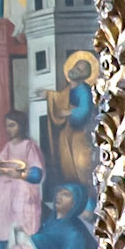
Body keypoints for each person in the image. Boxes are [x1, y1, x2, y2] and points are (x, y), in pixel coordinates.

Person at [0, 112, 45, 248]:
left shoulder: (29, 145)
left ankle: (20, 241)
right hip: (7, 186)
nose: (8, 129)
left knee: (20, 191)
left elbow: (37, 174)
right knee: (0, 186)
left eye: (12, 125)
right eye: (7, 126)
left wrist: (19, 175)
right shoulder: (9, 145)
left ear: (21, 126)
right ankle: (0, 238)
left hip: (23, 184)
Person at [40, 54, 97, 189]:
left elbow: (85, 109)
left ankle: (86, 190)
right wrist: (49, 95)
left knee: (81, 163)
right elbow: (60, 99)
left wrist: (68, 112)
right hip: (66, 133)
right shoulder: (68, 89)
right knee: (65, 164)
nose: (76, 70)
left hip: (79, 133)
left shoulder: (84, 90)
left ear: (85, 75)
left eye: (80, 70)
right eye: (76, 66)